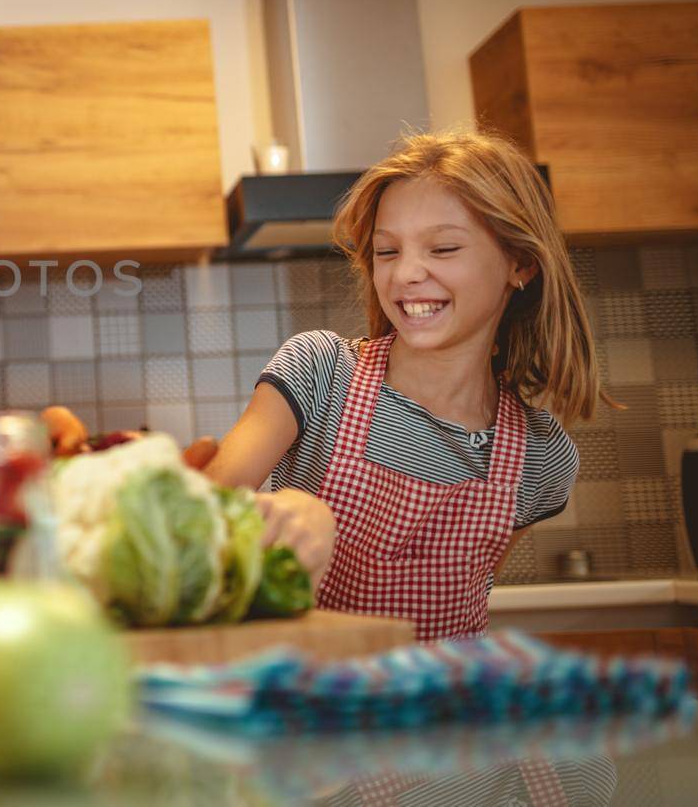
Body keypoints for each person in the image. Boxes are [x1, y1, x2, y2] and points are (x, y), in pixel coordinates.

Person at [197, 130, 595, 640]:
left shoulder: (541, 457)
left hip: (437, 714)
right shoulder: (319, 372)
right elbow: (203, 518)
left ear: (520, 263)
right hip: (300, 705)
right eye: (387, 252)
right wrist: (280, 518)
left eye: (444, 247)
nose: (406, 273)